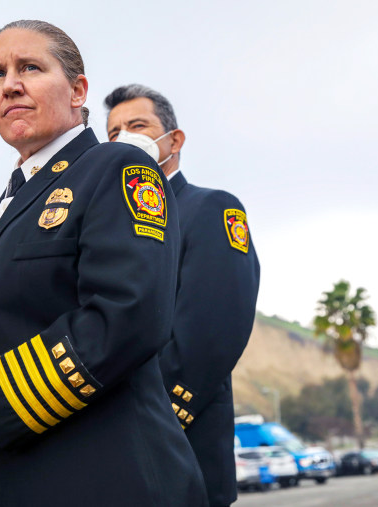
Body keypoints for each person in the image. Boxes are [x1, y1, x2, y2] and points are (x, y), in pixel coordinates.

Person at [0, 20, 207, 507]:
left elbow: (127, 314)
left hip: (104, 478)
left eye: (30, 67)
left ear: (78, 91)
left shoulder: (116, 169)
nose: (10, 83)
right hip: (4, 479)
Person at [106, 84, 260, 507]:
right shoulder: (107, 227)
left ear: (174, 140)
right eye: (114, 133)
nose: (125, 138)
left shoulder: (210, 210)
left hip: (180, 449)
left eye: (138, 126)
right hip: (112, 454)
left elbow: (211, 331)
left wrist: (154, 423)